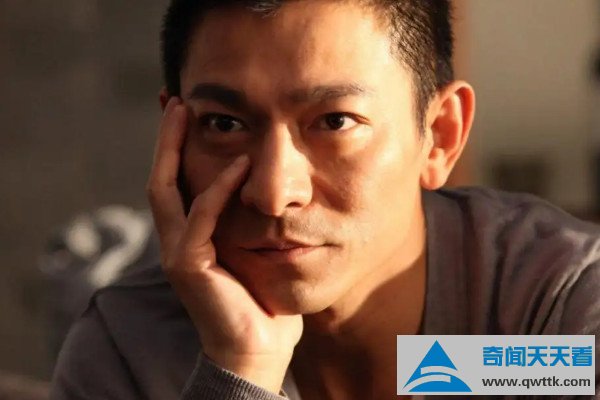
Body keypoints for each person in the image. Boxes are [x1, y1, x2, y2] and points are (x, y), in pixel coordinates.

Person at [50, 0, 600, 399]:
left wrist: (461, 370)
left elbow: (463, 369)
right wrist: (241, 368)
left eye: (335, 122)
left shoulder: (557, 310)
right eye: (224, 123)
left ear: (440, 136)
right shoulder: (127, 347)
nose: (273, 193)